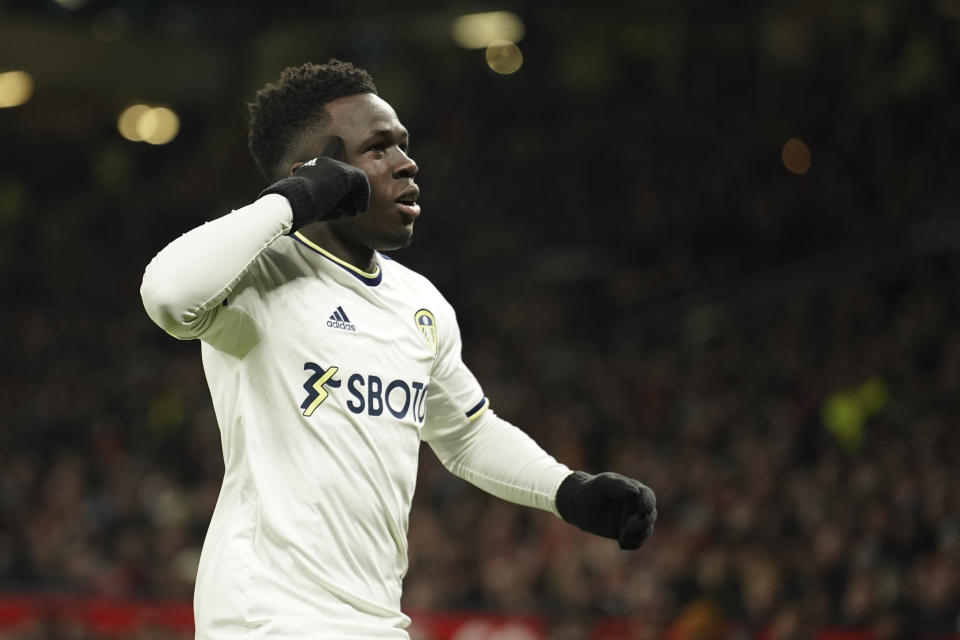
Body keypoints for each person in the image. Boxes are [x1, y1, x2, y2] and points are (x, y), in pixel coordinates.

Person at [140, 59, 657, 639]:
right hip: (265, 612)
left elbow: (466, 434)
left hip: (375, 619)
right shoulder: (258, 277)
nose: (407, 163)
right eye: (379, 148)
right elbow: (166, 294)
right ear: (318, 172)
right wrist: (293, 201)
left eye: (403, 146)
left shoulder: (420, 303)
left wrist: (567, 490)